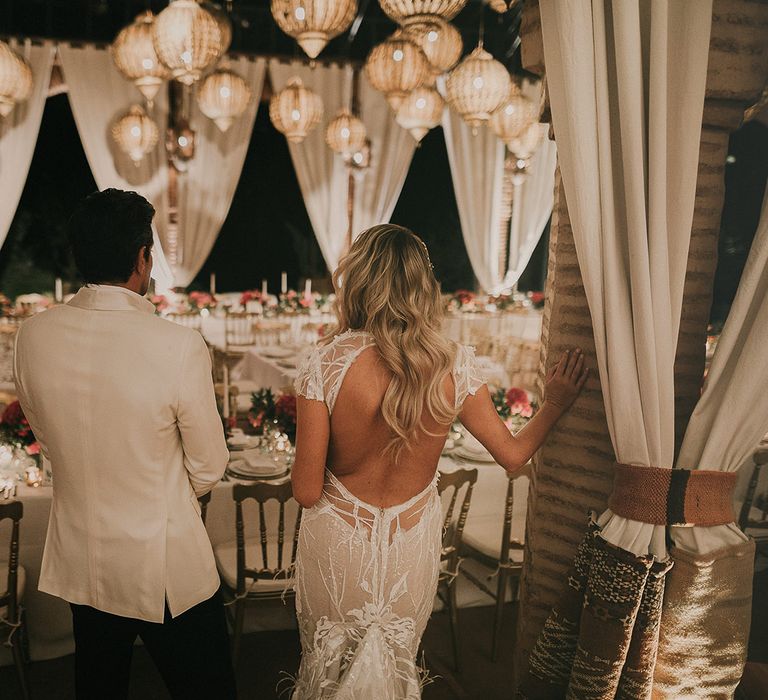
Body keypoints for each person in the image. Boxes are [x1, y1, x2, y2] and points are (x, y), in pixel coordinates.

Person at [289, 224, 588, 698]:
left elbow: (306, 491)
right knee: (396, 663)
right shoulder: (452, 364)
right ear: (422, 287)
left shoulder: (325, 362)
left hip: (339, 538)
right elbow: (512, 456)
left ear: (359, 282)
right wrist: (554, 403)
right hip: (411, 540)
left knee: (329, 670)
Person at [14, 189, 236, 699]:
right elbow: (209, 464)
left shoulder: (34, 337)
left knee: (99, 687)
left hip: (85, 563)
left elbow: (45, 436)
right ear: (143, 258)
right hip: (166, 568)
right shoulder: (176, 344)